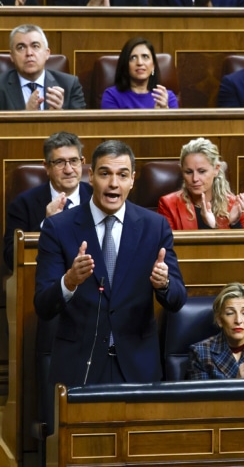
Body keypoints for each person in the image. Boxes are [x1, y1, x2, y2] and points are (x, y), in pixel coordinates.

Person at [34, 139, 187, 386]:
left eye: (122, 175)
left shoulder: (154, 226)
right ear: (91, 176)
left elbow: (178, 299)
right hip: (78, 369)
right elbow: (43, 305)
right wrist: (69, 282)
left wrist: (164, 284)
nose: (113, 183)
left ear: (132, 180)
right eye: (105, 173)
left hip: (138, 368)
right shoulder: (58, 227)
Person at [4, 132, 92, 271]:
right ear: (46, 166)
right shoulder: (23, 204)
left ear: (83, 162)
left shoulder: (97, 198)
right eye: (59, 162)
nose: (68, 170)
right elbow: (10, 258)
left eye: (74, 161)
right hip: (43, 282)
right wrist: (47, 224)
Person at [187, 282, 244, 379]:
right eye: (230, 313)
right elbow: (201, 394)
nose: (238, 320)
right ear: (219, 320)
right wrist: (238, 380)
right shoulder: (200, 352)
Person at [158, 138, 244, 230]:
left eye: (202, 171)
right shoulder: (169, 205)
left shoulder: (234, 205)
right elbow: (168, 243)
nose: (195, 179)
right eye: (188, 172)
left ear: (216, 169)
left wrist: (234, 223)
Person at [0, 24, 86, 111]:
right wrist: (25, 115)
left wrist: (60, 115)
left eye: (35, 46)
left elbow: (82, 124)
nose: (29, 53)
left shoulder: (70, 85)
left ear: (47, 53)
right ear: (12, 56)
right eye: (21, 47)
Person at [101, 37, 179, 110]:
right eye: (133, 58)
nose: (140, 63)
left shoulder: (166, 97)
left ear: (153, 66)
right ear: (125, 65)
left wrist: (164, 114)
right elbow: (113, 125)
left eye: (145, 57)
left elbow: (177, 125)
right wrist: (154, 116)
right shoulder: (112, 96)